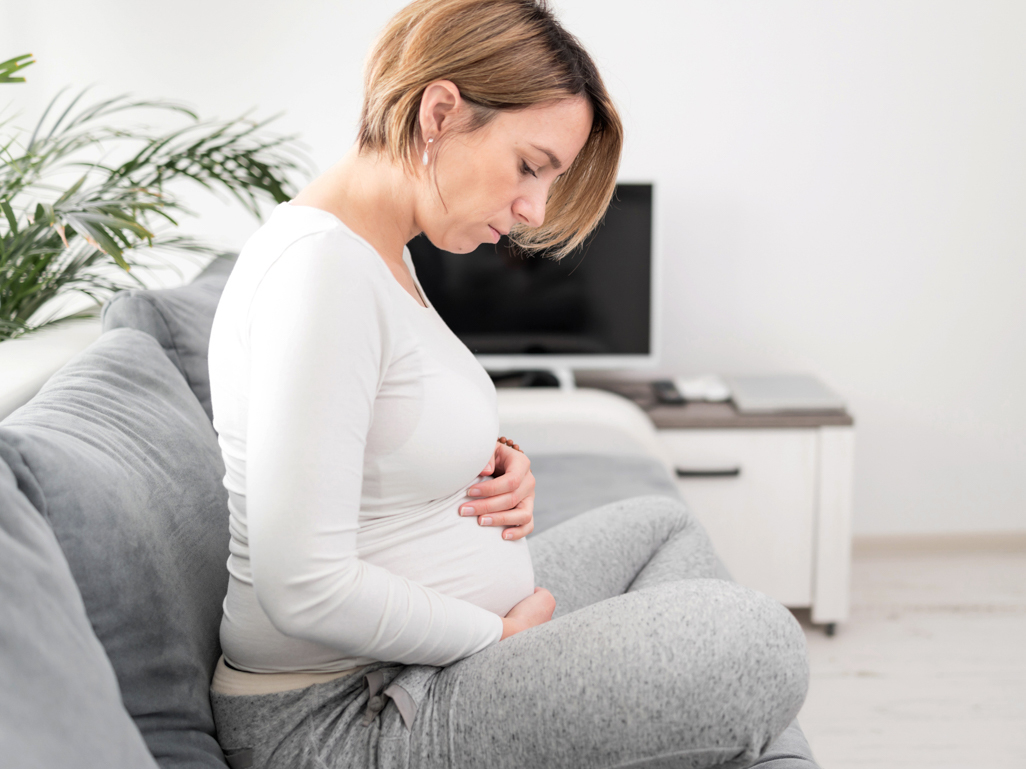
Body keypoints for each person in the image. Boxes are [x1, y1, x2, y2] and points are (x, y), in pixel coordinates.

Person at [207, 1, 813, 767]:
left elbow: (372, 425)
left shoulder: (377, 252)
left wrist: (486, 458)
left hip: (409, 664)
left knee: (662, 526)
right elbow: (304, 586)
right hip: (346, 713)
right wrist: (500, 636)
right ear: (439, 112)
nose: (535, 210)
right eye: (531, 166)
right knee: (759, 646)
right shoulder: (320, 269)